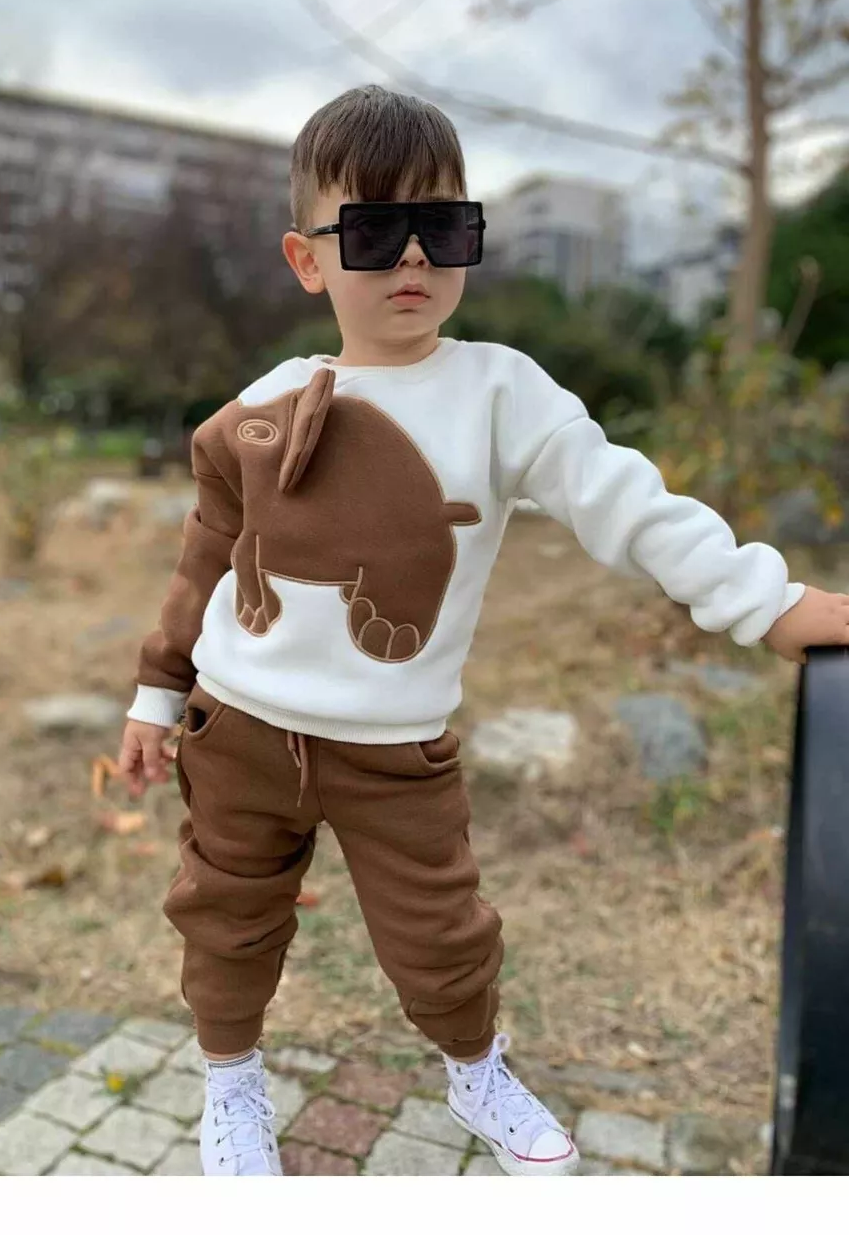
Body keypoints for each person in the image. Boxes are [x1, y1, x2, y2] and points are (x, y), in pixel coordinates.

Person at [118, 84, 849, 1178]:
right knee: (224, 916)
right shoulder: (260, 406)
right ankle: (230, 1083)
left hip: (393, 747)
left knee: (442, 931)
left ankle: (474, 1068)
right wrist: (155, 695)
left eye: (444, 226)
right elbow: (206, 556)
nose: (413, 256)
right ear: (308, 260)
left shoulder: (503, 394)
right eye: (375, 230)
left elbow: (628, 503)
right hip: (239, 728)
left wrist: (767, 603)